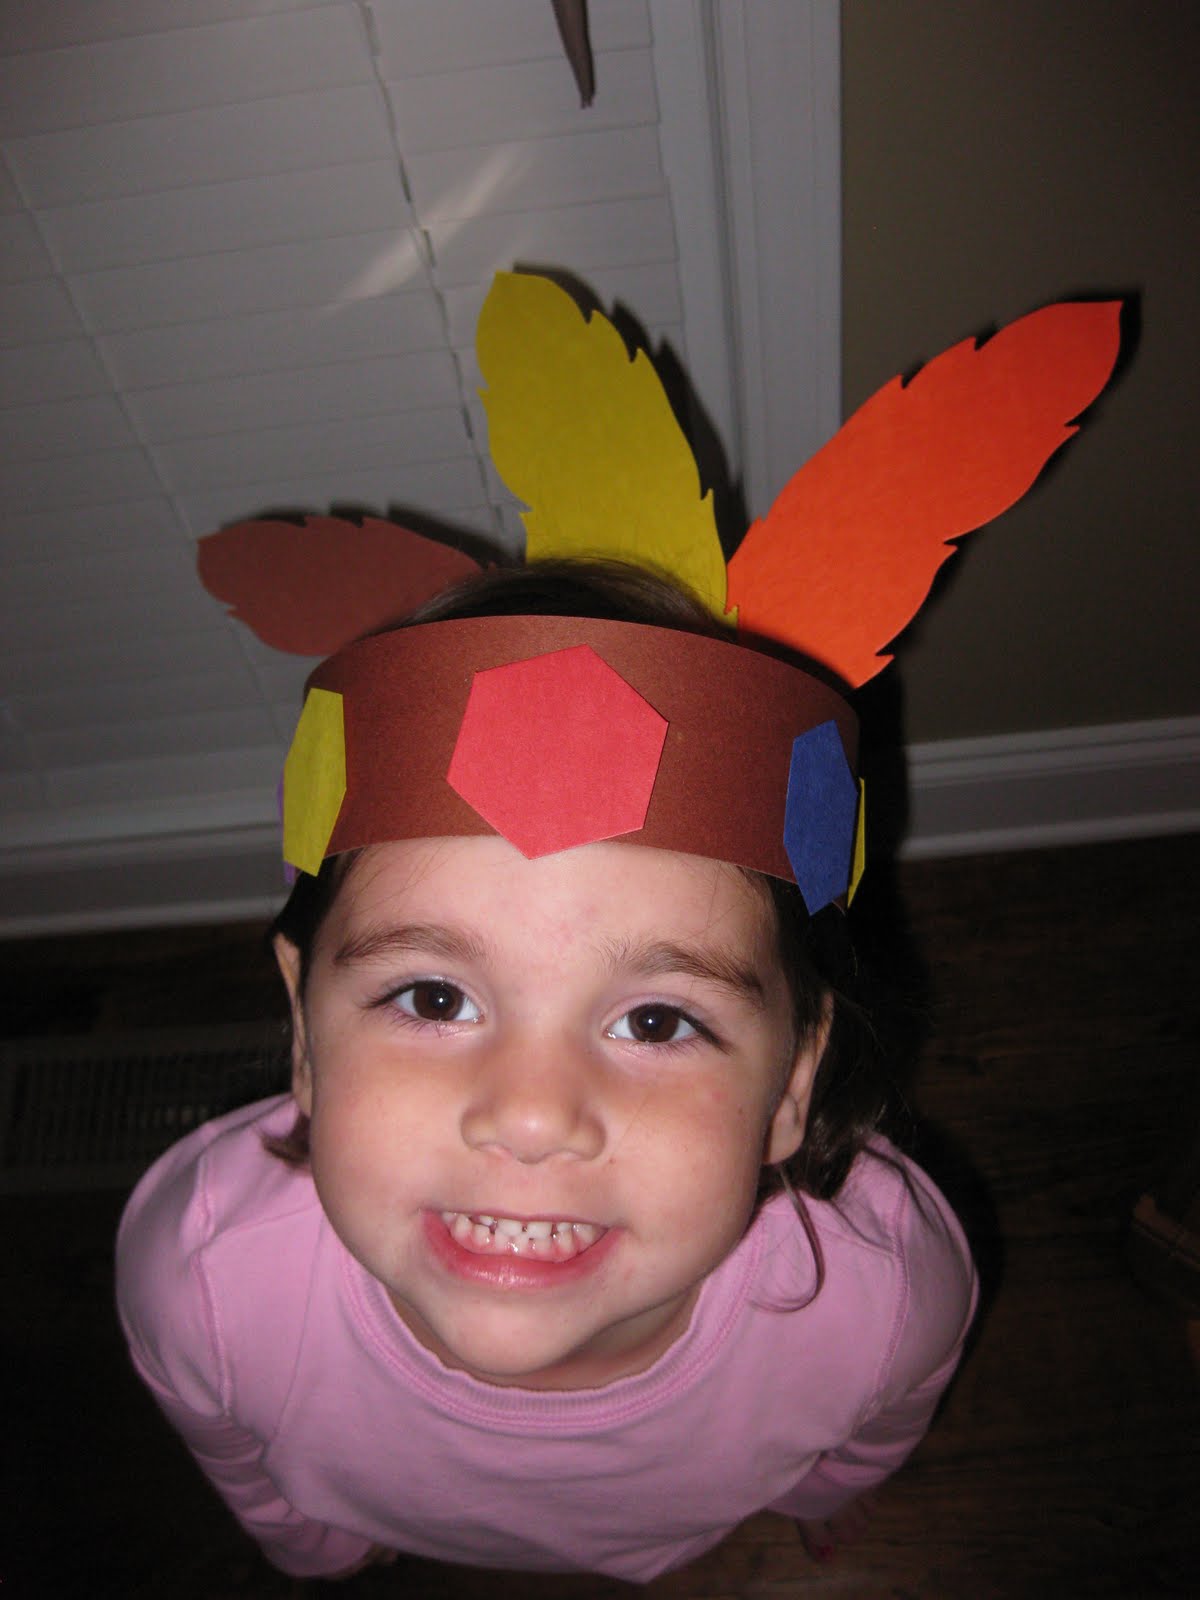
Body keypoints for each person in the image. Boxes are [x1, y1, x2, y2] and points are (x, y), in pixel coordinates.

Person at [116, 559, 977, 1584]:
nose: (530, 1118)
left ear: (795, 1081)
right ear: (305, 1033)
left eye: (656, 1020)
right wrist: (305, 1539)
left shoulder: (880, 1297)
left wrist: (824, 1488)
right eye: (435, 998)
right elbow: (232, 1454)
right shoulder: (202, 1281)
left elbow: (882, 1422)